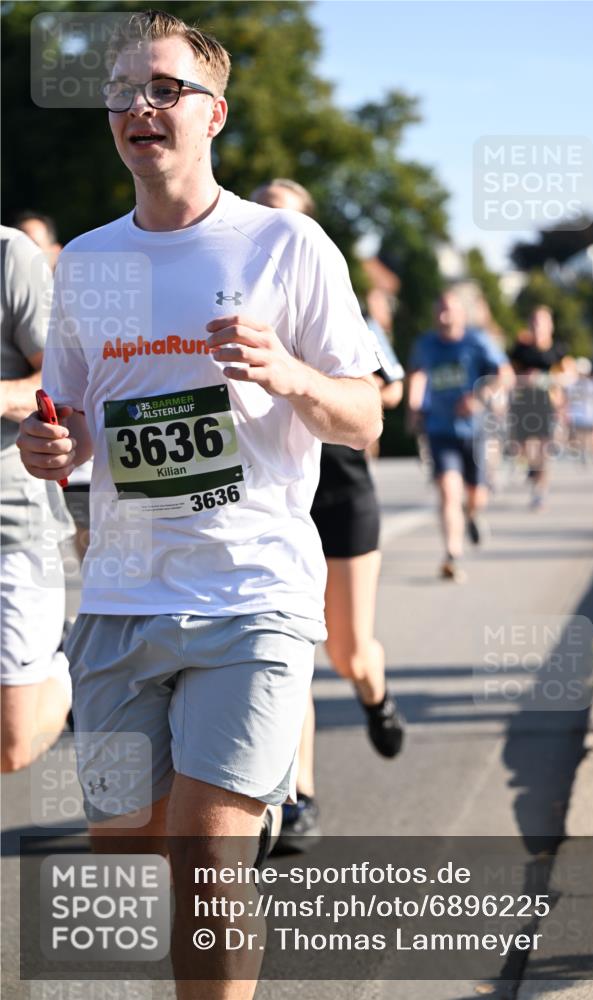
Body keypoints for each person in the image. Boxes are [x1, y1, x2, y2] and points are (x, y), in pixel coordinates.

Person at [17, 10, 382, 998]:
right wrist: (58, 445)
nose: (140, 106)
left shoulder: (283, 244)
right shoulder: (89, 262)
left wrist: (291, 373)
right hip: (123, 595)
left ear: (213, 113)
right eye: (124, 92)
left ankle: (245, 814)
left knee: (207, 862)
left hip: (251, 593)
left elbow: (365, 419)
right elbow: (79, 423)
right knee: (133, 845)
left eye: (165, 89)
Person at [251, 180, 405, 851]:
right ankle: (300, 793)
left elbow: (384, 393)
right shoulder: (231, 306)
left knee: (347, 652)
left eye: (285, 220)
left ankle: (375, 693)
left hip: (340, 496)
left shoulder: (338, 304)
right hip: (277, 502)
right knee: (294, 651)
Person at [1, 226, 72, 772]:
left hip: (12, 527)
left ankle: (75, 665)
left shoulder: (11, 255)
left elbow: (62, 377)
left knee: (12, 747)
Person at [408, 289, 511, 580]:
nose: (443, 316)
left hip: (474, 431)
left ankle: (474, 515)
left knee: (476, 495)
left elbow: (505, 375)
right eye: (439, 310)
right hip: (439, 429)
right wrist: (413, 408)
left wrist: (478, 397)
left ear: (461, 315)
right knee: (448, 492)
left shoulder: (477, 341)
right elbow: (417, 375)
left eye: (449, 310)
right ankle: (452, 554)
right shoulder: (425, 345)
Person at [15, 210, 93, 568]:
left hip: (20, 525)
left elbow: (49, 379)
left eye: (36, 246)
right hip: (73, 471)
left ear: (54, 251)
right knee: (90, 550)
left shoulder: (84, 276)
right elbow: (62, 397)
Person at [508, 305, 562, 509]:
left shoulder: (558, 350)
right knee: (529, 447)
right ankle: (531, 471)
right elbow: (508, 374)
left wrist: (548, 380)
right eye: (535, 322)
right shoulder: (521, 350)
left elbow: (568, 376)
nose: (538, 326)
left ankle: (540, 490)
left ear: (550, 325)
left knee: (544, 448)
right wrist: (525, 379)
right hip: (525, 402)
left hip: (549, 403)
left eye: (542, 322)